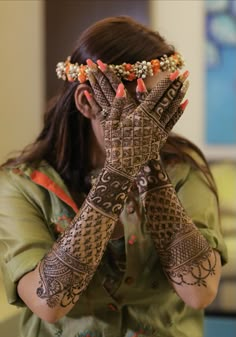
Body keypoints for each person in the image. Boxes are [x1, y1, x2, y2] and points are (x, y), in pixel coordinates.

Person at [0, 16, 227, 337]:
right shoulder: (21, 183)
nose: (156, 120)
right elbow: (48, 302)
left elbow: (199, 291)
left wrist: (146, 162)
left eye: (163, 102)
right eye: (143, 101)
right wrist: (119, 170)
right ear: (86, 102)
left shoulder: (183, 168)